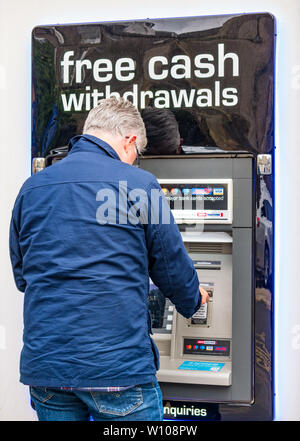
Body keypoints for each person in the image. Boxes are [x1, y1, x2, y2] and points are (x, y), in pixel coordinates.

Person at [9, 97, 209, 421]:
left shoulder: (31, 188)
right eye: (137, 155)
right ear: (130, 140)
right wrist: (193, 300)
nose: (134, 163)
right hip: (117, 371)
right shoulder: (140, 184)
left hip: (46, 369)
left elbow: (23, 276)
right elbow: (170, 265)